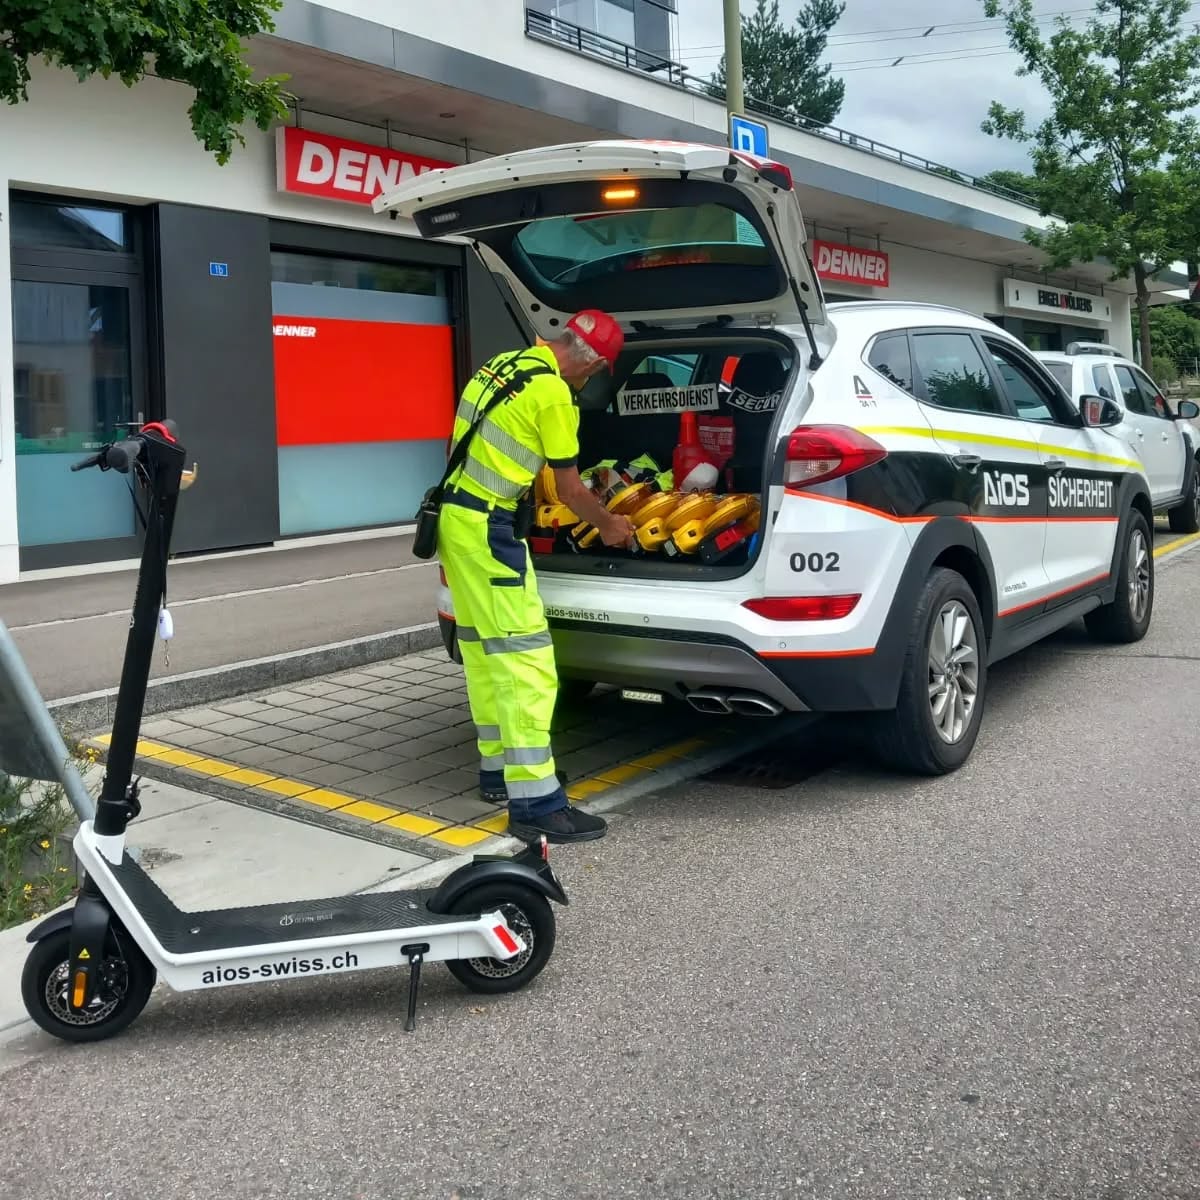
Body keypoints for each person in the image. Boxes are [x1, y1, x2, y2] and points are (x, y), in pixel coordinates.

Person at [437, 310, 636, 843]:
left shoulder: (501, 366)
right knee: (528, 662)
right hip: (491, 531)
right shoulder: (553, 394)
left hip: (457, 521)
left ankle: (499, 772)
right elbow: (570, 490)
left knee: (483, 651)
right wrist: (611, 525)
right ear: (590, 359)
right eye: (596, 373)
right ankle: (537, 804)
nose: (589, 381)